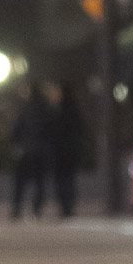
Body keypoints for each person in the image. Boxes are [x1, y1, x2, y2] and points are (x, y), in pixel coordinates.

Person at [9, 81, 52, 219]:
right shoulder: (46, 109)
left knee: (20, 183)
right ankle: (36, 209)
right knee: (39, 183)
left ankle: (17, 209)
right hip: (39, 152)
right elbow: (51, 131)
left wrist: (15, 144)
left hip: (27, 152)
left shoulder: (26, 109)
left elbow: (17, 129)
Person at [49, 81, 85, 217]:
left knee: (63, 181)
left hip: (62, 153)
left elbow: (53, 133)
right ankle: (67, 207)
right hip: (69, 153)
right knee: (68, 181)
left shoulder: (58, 111)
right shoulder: (73, 110)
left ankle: (66, 207)